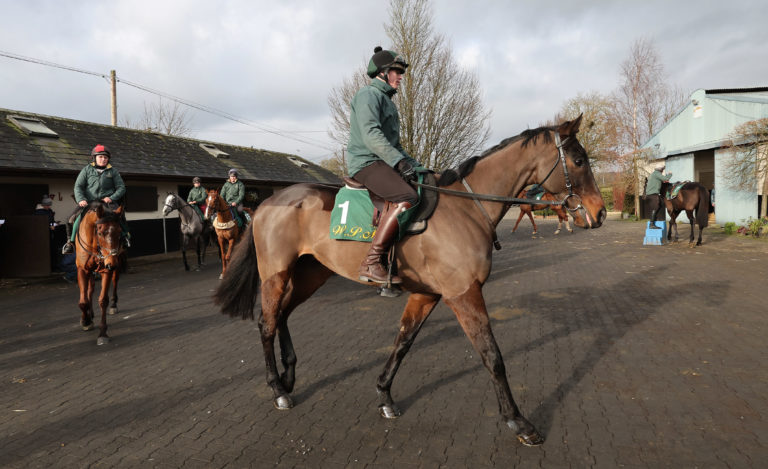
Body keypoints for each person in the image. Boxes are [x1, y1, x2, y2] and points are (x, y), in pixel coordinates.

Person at [346, 46, 425, 284]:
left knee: (423, 183)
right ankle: (371, 262)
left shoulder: (387, 102)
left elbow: (396, 146)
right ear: (382, 73)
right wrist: (398, 163)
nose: (400, 77)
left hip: (383, 161)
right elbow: (371, 135)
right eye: (396, 71)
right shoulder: (368, 96)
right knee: (406, 195)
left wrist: (418, 167)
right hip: (367, 162)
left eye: (401, 72)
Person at [61, 144, 130, 254]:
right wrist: (81, 199)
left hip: (107, 202)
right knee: (71, 219)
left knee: (120, 216)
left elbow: (121, 188)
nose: (103, 159)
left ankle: (125, 237)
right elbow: (78, 186)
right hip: (89, 202)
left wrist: (111, 198)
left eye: (105, 157)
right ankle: (70, 243)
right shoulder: (86, 170)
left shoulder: (113, 171)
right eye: (100, 157)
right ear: (95, 158)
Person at [645, 161, 672, 229]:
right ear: (660, 169)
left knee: (661, 204)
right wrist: (670, 174)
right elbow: (666, 178)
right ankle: (651, 224)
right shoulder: (657, 173)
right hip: (653, 194)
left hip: (650, 194)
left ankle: (654, 219)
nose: (663, 170)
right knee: (656, 207)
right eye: (662, 169)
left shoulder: (654, 174)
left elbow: (662, 179)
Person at [34, 196, 58, 270]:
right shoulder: (38, 213)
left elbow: (51, 221)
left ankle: (53, 267)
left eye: (49, 205)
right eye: (47, 205)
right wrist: (49, 227)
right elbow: (39, 224)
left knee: (52, 250)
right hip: (43, 235)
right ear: (43, 205)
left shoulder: (49, 211)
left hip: (50, 234)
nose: (48, 207)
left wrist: (54, 224)